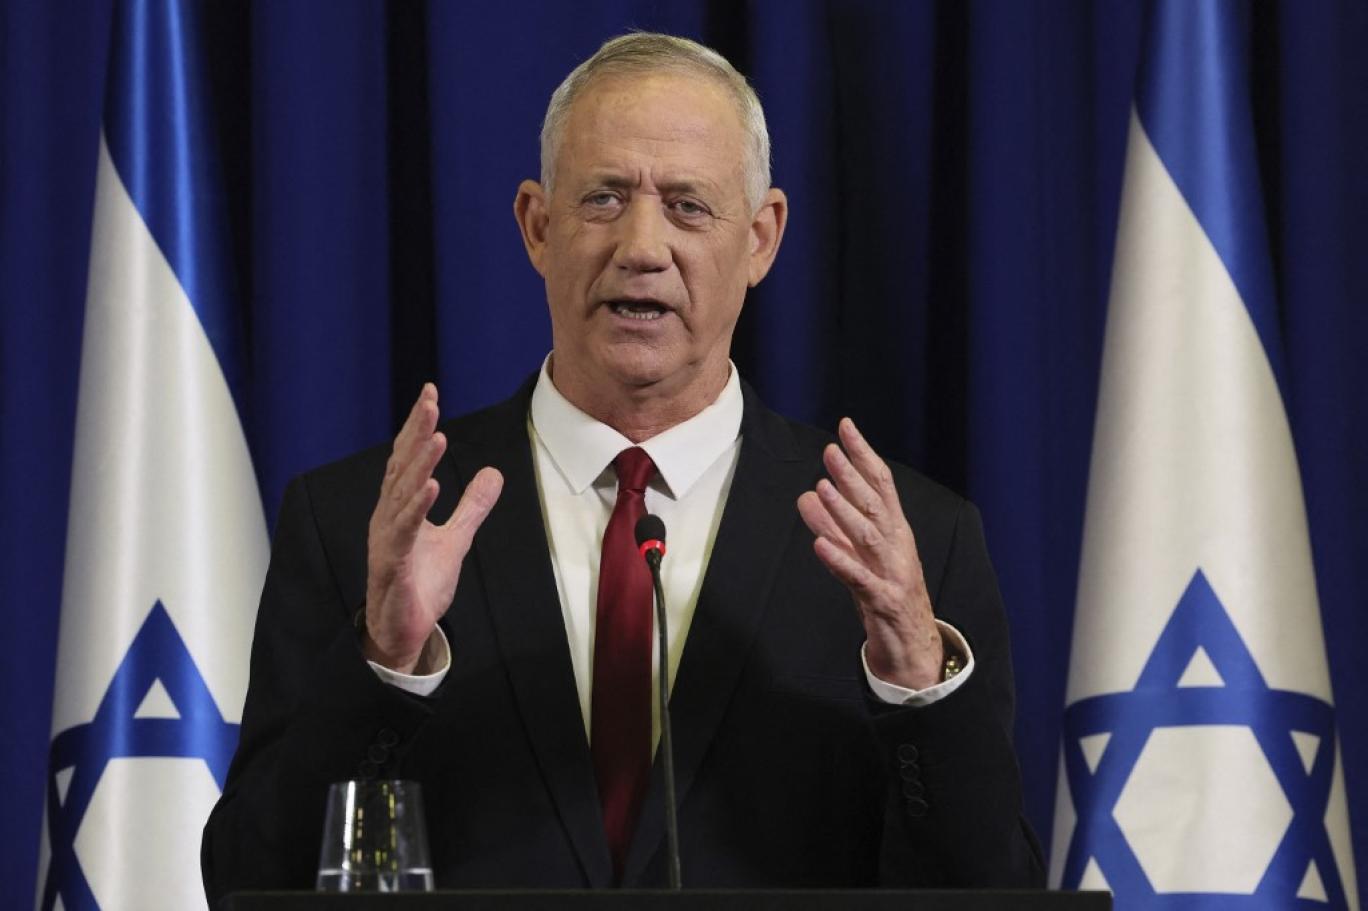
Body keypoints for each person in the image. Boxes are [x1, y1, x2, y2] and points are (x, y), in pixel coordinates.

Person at [201, 32, 1043, 902]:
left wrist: (914, 681)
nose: (642, 246)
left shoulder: (912, 545)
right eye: (603, 198)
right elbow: (247, 882)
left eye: (688, 206)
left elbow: (994, 891)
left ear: (761, 238)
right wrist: (384, 663)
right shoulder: (358, 525)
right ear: (537, 226)